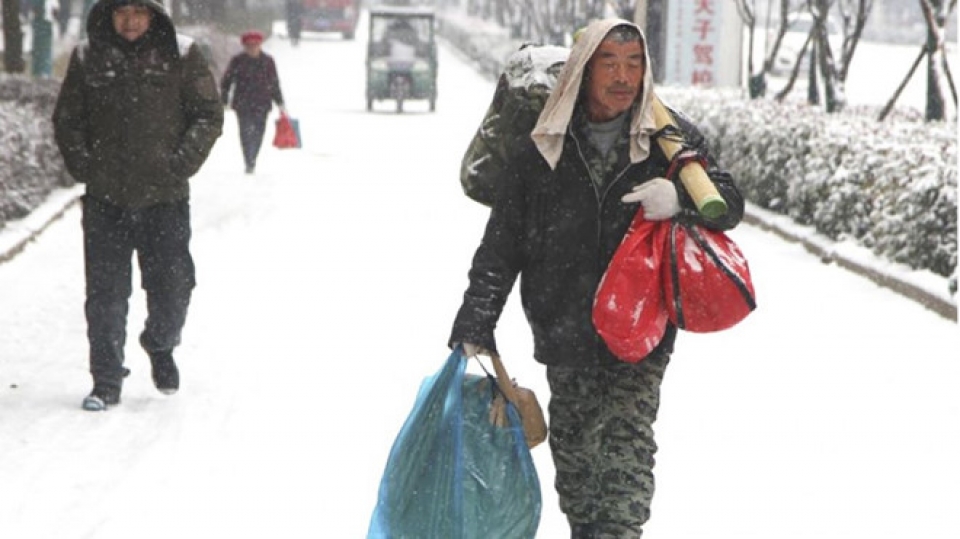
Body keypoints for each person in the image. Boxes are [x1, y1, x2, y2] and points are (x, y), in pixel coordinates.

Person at [449, 18, 745, 537]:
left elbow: (729, 201)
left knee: (626, 465)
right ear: (584, 71)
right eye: (609, 62)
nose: (623, 77)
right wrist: (477, 319)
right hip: (564, 328)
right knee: (579, 469)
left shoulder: (667, 140)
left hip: (639, 333)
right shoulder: (543, 147)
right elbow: (501, 245)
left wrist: (678, 199)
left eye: (634, 64)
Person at [52, 0, 223, 411]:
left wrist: (181, 163)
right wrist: (85, 165)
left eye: (139, 12)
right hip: (105, 199)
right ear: (108, 15)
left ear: (154, 16)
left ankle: (160, 344)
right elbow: (67, 118)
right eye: (121, 12)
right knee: (106, 294)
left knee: (172, 287)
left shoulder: (181, 54)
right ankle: (106, 381)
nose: (130, 22)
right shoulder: (88, 55)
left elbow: (208, 114)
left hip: (164, 199)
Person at [220, 30, 286, 174]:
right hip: (242, 104)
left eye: (255, 45)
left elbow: (274, 83)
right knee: (245, 133)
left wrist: (280, 103)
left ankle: (253, 157)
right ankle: (248, 160)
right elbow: (227, 81)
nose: (252, 48)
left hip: (262, 103)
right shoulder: (237, 61)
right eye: (249, 45)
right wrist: (224, 99)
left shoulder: (268, 61)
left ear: (260, 45)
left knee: (258, 133)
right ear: (244, 46)